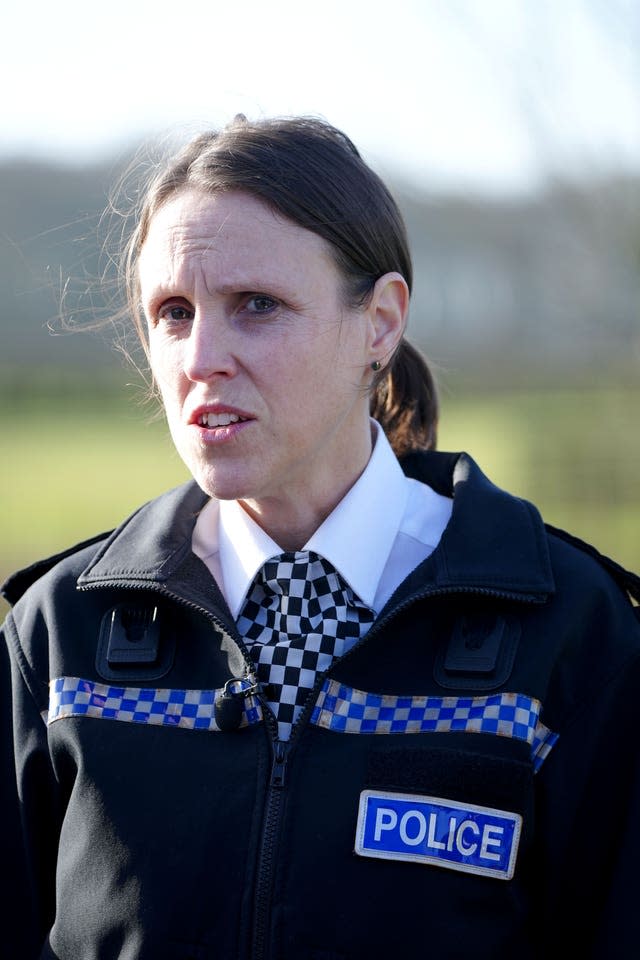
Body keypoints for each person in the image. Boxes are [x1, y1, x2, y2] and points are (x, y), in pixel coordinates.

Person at [1, 114, 639, 960]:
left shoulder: (571, 634)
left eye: (256, 305)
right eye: (173, 312)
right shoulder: (58, 639)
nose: (201, 358)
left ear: (380, 324)